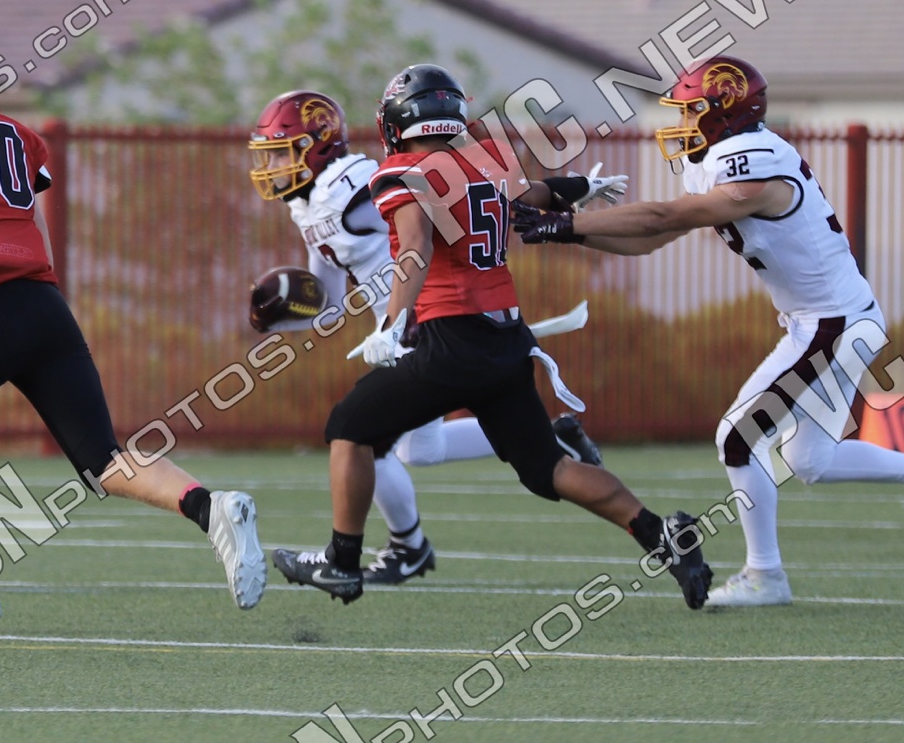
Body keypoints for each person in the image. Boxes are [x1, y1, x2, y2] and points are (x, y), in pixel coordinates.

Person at [511, 56, 904, 608]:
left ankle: (766, 575)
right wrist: (568, 234)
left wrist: (567, 220)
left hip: (833, 322)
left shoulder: (753, 160)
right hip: (829, 320)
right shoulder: (720, 161)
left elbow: (663, 219)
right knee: (810, 460)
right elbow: (651, 240)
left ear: (726, 112)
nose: (681, 123)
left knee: (737, 437)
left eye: (692, 110)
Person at [0, 19, 266, 624]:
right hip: (44, 307)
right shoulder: (14, 134)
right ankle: (210, 506)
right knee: (104, 460)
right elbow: (27, 228)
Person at [271, 65, 712, 607]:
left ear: (396, 122)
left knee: (349, 427)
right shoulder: (487, 157)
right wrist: (583, 186)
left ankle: (342, 562)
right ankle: (662, 535)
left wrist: (392, 323)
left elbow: (416, 248)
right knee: (548, 468)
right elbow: (535, 194)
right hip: (506, 336)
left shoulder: (398, 172)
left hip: (450, 338)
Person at [246, 88, 609, 586]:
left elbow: (433, 218)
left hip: (424, 319)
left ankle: (404, 547)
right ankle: (550, 440)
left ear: (317, 147)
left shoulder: (352, 185)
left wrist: (553, 192)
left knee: (364, 437)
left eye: (279, 152)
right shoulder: (311, 202)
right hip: (398, 326)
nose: (271, 166)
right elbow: (329, 301)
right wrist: (280, 313)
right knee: (419, 449)